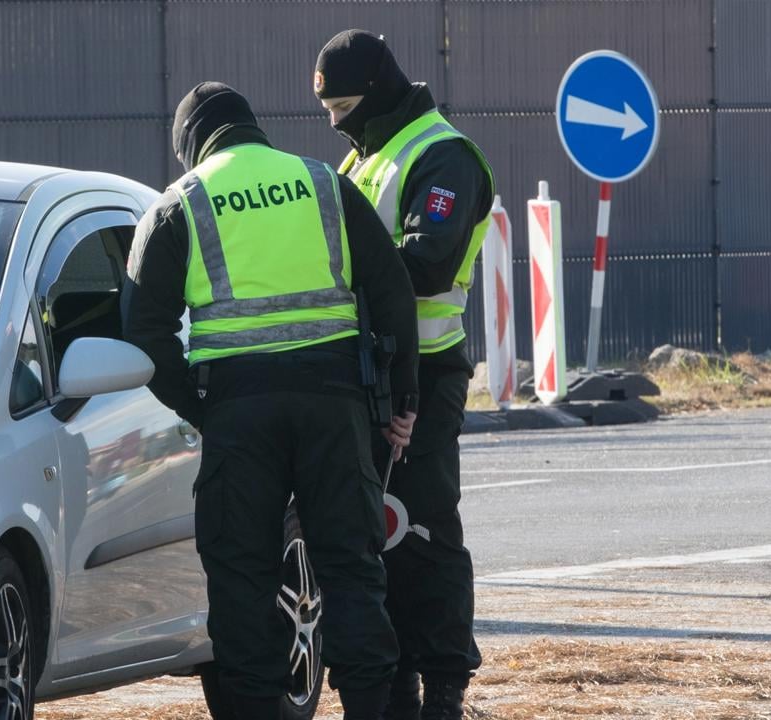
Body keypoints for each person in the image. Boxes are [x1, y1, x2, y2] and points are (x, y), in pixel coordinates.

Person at [121, 82, 420, 720]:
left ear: (191, 146)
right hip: (334, 406)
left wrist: (200, 407)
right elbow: (393, 287)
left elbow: (143, 331)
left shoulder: (182, 204)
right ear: (252, 127)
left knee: (241, 580)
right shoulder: (323, 184)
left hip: (237, 413)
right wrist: (400, 396)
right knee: (351, 572)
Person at [314, 29, 496, 720]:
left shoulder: (442, 155)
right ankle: (391, 688)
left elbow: (426, 262)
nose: (339, 123)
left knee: (419, 531)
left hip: (426, 372)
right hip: (361, 374)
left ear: (380, 91)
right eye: (331, 114)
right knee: (366, 534)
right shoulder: (368, 157)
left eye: (346, 108)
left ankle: (444, 688)